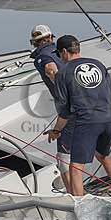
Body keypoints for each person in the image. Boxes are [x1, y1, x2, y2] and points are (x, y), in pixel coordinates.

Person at [51, 35, 111, 197]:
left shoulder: (62, 73)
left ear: (64, 51)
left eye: (58, 54)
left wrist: (56, 131)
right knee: (103, 155)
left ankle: (80, 205)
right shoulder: (98, 64)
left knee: (76, 167)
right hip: (109, 118)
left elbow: (64, 109)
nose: (59, 57)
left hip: (87, 122)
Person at [28, 24, 69, 191]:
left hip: (67, 106)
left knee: (63, 156)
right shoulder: (59, 52)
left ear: (34, 42)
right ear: (51, 37)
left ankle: (75, 194)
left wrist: (63, 94)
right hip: (83, 104)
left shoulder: (42, 56)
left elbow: (51, 70)